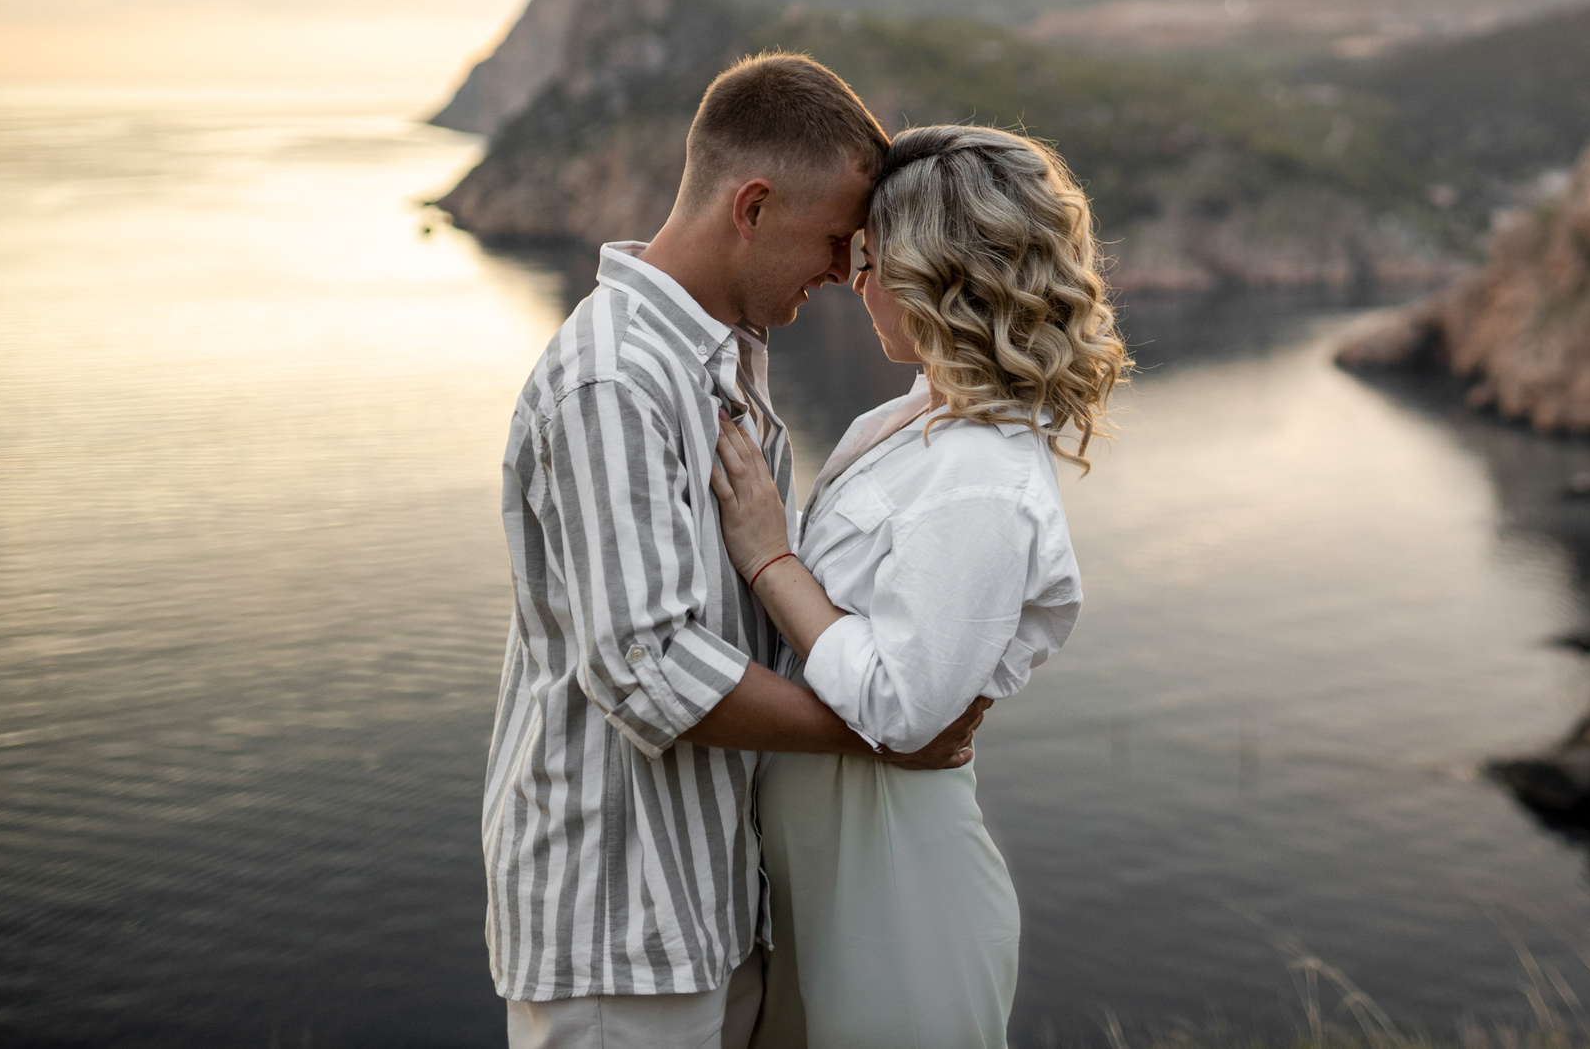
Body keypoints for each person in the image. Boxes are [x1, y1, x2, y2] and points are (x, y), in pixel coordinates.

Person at [482, 54, 992, 1049]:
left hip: (712, 908)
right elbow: (645, 665)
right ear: (752, 205)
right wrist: (885, 732)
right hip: (616, 932)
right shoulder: (613, 379)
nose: (848, 275)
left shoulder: (718, 363)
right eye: (838, 240)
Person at [705, 124, 1130, 1049]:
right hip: (827, 872)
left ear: (941, 276)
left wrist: (769, 556)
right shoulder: (903, 421)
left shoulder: (980, 472)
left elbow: (903, 706)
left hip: (897, 889)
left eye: (874, 259)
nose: (854, 281)